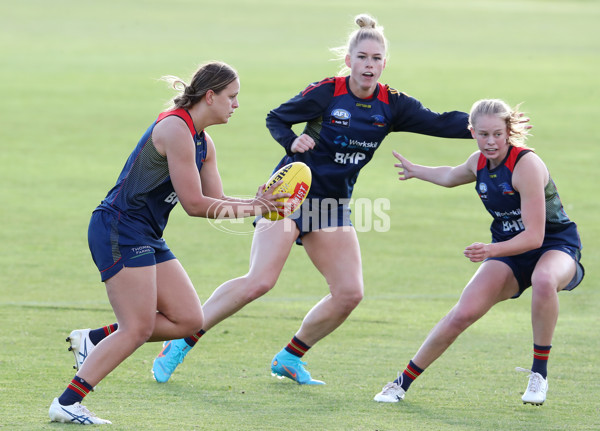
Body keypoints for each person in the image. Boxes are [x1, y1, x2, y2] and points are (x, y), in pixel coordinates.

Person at [145, 13, 475, 386]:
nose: (370, 65)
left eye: (377, 58)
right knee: (260, 282)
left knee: (349, 293)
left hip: (332, 203)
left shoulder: (392, 104)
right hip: (289, 196)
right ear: (349, 61)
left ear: (385, 63)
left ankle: (290, 357)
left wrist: (488, 129)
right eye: (363, 57)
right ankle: (179, 343)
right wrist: (291, 140)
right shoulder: (327, 93)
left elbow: (441, 122)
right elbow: (277, 118)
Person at [48, 61, 287, 424]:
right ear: (210, 96)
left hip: (145, 233)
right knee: (138, 327)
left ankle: (94, 339)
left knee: (190, 319)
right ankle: (67, 402)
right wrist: (253, 208)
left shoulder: (204, 142)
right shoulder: (176, 128)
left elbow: (215, 198)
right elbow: (194, 205)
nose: (236, 105)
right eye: (232, 97)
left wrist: (257, 205)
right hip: (119, 228)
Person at [374, 98, 584, 406]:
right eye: (483, 134)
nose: (490, 142)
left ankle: (539, 375)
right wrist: (417, 170)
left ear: (508, 131)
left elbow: (536, 237)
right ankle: (400, 383)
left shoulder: (526, 165)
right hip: (508, 251)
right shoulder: (478, 162)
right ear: (472, 132)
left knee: (543, 280)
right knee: (463, 313)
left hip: (554, 245)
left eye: (497, 134)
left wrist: (490, 249)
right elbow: (449, 176)